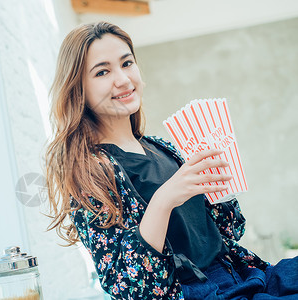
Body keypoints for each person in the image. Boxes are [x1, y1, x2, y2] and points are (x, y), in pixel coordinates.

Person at [44, 21, 298, 299]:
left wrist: (221, 187)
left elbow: (230, 229)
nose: (123, 80)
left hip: (242, 274)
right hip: (197, 292)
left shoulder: (163, 148)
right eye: (102, 71)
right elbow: (129, 285)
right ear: (78, 88)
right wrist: (164, 200)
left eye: (127, 63)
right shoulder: (88, 173)